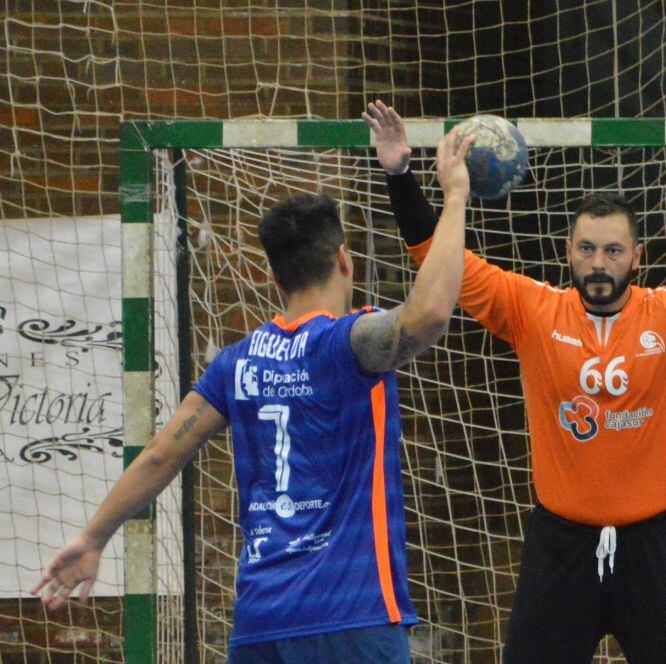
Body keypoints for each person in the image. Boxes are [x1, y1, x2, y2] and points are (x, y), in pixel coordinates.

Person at [364, 101, 666, 663]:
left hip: (655, 547)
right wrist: (399, 176)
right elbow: (438, 257)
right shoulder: (532, 311)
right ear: (568, 253)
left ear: (637, 257)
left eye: (612, 251)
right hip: (561, 548)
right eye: (586, 249)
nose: (598, 263)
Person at [32, 127, 477, 663]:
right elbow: (426, 317)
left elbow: (159, 456)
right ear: (343, 260)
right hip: (349, 615)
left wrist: (93, 538)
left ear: (273, 276)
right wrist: (454, 198)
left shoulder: (236, 363)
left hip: (262, 622)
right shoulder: (346, 343)